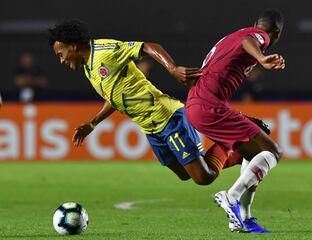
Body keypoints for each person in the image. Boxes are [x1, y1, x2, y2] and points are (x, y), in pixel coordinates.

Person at [47, 19, 255, 186]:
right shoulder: (88, 67)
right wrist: (93, 123)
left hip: (167, 117)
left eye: (61, 54)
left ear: (73, 46)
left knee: (204, 178)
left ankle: (229, 144)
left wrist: (172, 69)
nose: (61, 60)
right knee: (184, 174)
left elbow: (148, 47)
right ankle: (231, 149)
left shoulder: (104, 51)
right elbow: (115, 96)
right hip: (150, 128)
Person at [181, 9, 285, 233]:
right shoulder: (259, 36)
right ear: (276, 33)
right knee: (273, 151)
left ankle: (243, 218)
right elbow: (251, 40)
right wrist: (262, 58)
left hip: (199, 103)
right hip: (209, 106)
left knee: (256, 154)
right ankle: (231, 197)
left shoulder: (230, 37)